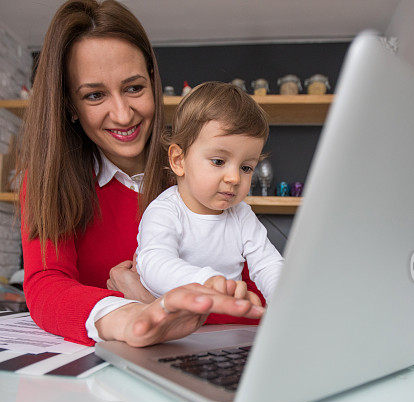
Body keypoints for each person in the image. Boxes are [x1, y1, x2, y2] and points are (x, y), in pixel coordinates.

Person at [18, 0, 264, 348]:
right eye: (95, 95)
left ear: (153, 81)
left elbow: (254, 298)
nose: (122, 114)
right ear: (70, 105)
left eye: (134, 88)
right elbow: (46, 286)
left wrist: (151, 298)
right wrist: (129, 315)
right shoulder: (46, 180)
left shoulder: (202, 170)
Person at [136, 82, 284, 306]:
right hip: (172, 326)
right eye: (218, 161)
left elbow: (268, 263)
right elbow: (154, 265)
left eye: (246, 167)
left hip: (223, 327)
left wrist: (284, 299)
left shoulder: (241, 214)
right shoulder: (165, 211)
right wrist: (208, 282)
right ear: (178, 160)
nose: (234, 178)